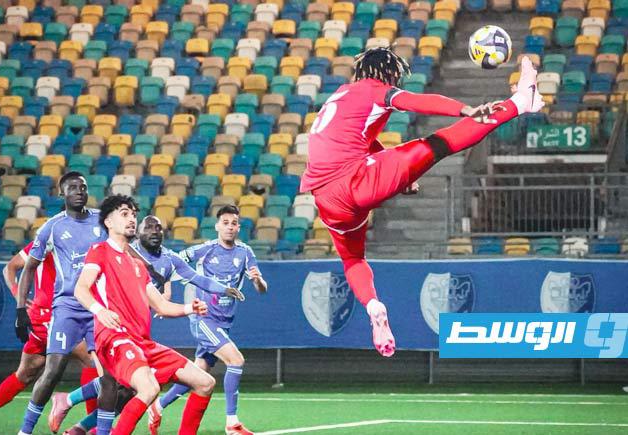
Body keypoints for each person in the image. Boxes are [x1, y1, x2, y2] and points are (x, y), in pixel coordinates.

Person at [300, 49, 544, 357]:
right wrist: (464, 109)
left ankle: (373, 305)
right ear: (387, 73)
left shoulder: (340, 95)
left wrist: (400, 176)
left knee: (353, 260)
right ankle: (521, 101)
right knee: (439, 143)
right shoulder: (375, 90)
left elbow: (362, 141)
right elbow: (415, 101)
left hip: (326, 199)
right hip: (356, 180)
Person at [55, 214, 238, 434]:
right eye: (148, 226)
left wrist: (192, 306)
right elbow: (82, 287)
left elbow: (167, 300)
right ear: (137, 232)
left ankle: (78, 420)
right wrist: (99, 310)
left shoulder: (152, 263)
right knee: (122, 386)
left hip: (140, 338)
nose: (154, 231)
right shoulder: (107, 252)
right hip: (113, 334)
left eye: (158, 227)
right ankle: (79, 415)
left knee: (195, 383)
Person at [150, 205, 268, 435]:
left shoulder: (245, 252)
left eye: (234, 223)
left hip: (224, 322)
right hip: (203, 318)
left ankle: (158, 405)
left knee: (199, 373)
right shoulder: (205, 249)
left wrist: (257, 281)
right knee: (236, 360)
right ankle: (232, 422)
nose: (230, 227)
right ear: (217, 226)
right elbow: (172, 264)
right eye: (225, 222)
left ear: (239, 227)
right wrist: (164, 293)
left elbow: (262, 289)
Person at [17, 172, 108, 435]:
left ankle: (90, 424)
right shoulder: (52, 227)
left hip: (98, 308)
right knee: (53, 370)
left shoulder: (102, 220)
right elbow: (29, 268)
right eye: (73, 187)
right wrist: (20, 309)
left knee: (112, 377)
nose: (79, 191)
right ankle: (25, 431)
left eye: (83, 187)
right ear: (62, 193)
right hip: (67, 307)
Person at [0, 243, 91, 435]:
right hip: (50, 316)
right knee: (93, 359)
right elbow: (10, 267)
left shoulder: (87, 238)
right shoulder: (51, 237)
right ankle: (90, 425)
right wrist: (18, 297)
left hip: (59, 315)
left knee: (26, 372)